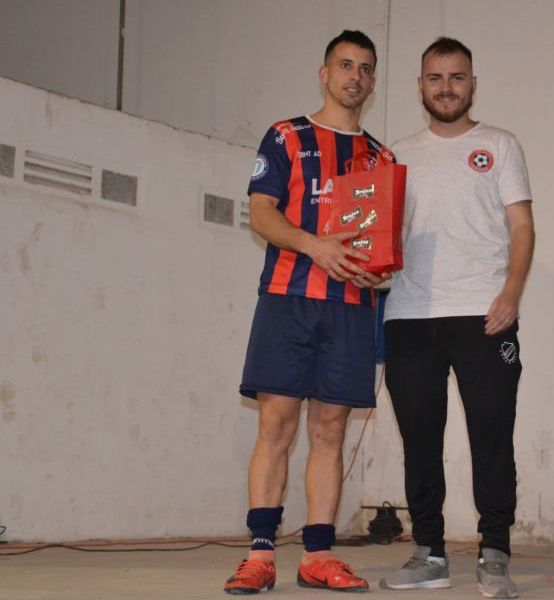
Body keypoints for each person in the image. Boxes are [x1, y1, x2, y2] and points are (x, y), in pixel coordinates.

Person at [223, 29, 393, 595]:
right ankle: (261, 553)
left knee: (330, 428)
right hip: (287, 298)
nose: (356, 77)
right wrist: (314, 245)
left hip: (349, 308)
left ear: (373, 80)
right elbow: (262, 217)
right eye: (346, 65)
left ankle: (318, 554)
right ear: (325, 73)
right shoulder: (285, 136)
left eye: (366, 69)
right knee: (276, 423)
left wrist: (380, 270)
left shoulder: (381, 157)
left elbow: (384, 244)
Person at [380, 37, 535, 599]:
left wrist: (511, 292)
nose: (446, 87)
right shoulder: (395, 154)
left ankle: (495, 552)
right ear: (420, 85)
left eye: (457, 77)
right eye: (435, 78)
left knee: (491, 436)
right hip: (409, 314)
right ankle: (429, 552)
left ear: (472, 84)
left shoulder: (500, 145)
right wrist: (375, 269)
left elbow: (521, 227)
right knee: (420, 439)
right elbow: (384, 233)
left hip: (484, 314)